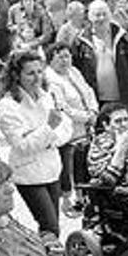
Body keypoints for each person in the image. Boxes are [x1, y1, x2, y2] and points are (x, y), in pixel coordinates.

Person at [0, 50, 72, 238]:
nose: (37, 78)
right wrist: (48, 128)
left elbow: (66, 128)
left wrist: (42, 136)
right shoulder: (7, 106)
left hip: (52, 169)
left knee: (53, 224)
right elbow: (22, 146)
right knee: (49, 224)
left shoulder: (46, 96)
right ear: (16, 76)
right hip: (28, 175)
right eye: (30, 73)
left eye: (39, 72)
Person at [44, 43, 98, 217]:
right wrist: (86, 117)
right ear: (50, 59)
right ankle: (68, 200)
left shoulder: (74, 71)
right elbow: (63, 107)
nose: (64, 60)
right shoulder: (51, 79)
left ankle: (85, 199)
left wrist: (93, 110)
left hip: (86, 126)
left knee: (84, 164)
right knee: (68, 167)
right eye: (59, 57)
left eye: (67, 56)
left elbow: (88, 91)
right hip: (69, 129)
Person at [70, 0, 128, 111]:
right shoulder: (80, 41)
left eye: (104, 14)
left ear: (110, 15)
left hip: (122, 96)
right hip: (94, 99)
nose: (101, 18)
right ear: (90, 17)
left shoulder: (124, 37)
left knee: (122, 126)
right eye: (97, 15)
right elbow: (75, 69)